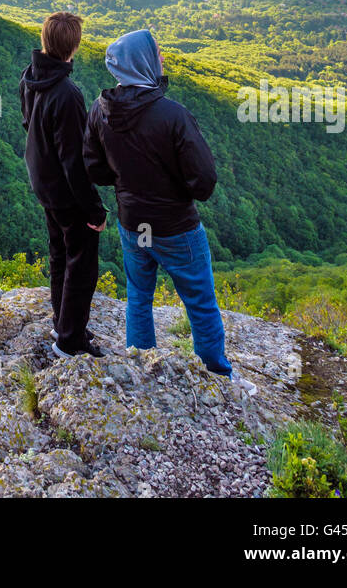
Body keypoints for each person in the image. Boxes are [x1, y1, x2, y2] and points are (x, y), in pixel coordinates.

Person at [84, 28, 237, 381]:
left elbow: (93, 167)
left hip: (133, 222)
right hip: (176, 226)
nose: (163, 58)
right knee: (199, 302)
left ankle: (140, 366)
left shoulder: (100, 110)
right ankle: (216, 374)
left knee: (138, 295)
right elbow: (204, 181)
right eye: (157, 54)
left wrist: (126, 182)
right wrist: (175, 189)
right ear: (143, 63)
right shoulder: (172, 115)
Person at [20, 11, 107, 358]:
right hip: (66, 192)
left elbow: (28, 123)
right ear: (74, 47)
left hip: (43, 183)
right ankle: (70, 342)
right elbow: (76, 160)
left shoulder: (30, 78)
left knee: (60, 254)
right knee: (82, 264)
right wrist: (94, 209)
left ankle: (62, 322)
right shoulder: (68, 94)